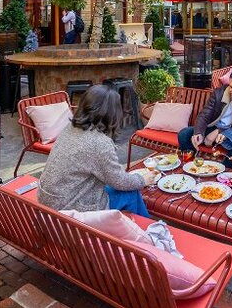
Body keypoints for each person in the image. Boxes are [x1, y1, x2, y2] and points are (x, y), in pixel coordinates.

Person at [39, 84, 156, 215]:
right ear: (113, 112)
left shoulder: (70, 128)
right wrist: (142, 180)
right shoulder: (99, 143)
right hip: (70, 211)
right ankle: (148, 231)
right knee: (131, 193)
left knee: (117, 185)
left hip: (49, 202)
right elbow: (119, 181)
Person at [177, 67, 232, 151]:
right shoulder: (219, 93)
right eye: (231, 87)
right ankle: (193, 162)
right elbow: (204, 115)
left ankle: (222, 164)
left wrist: (219, 131)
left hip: (231, 133)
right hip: (213, 127)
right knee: (184, 134)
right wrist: (198, 133)